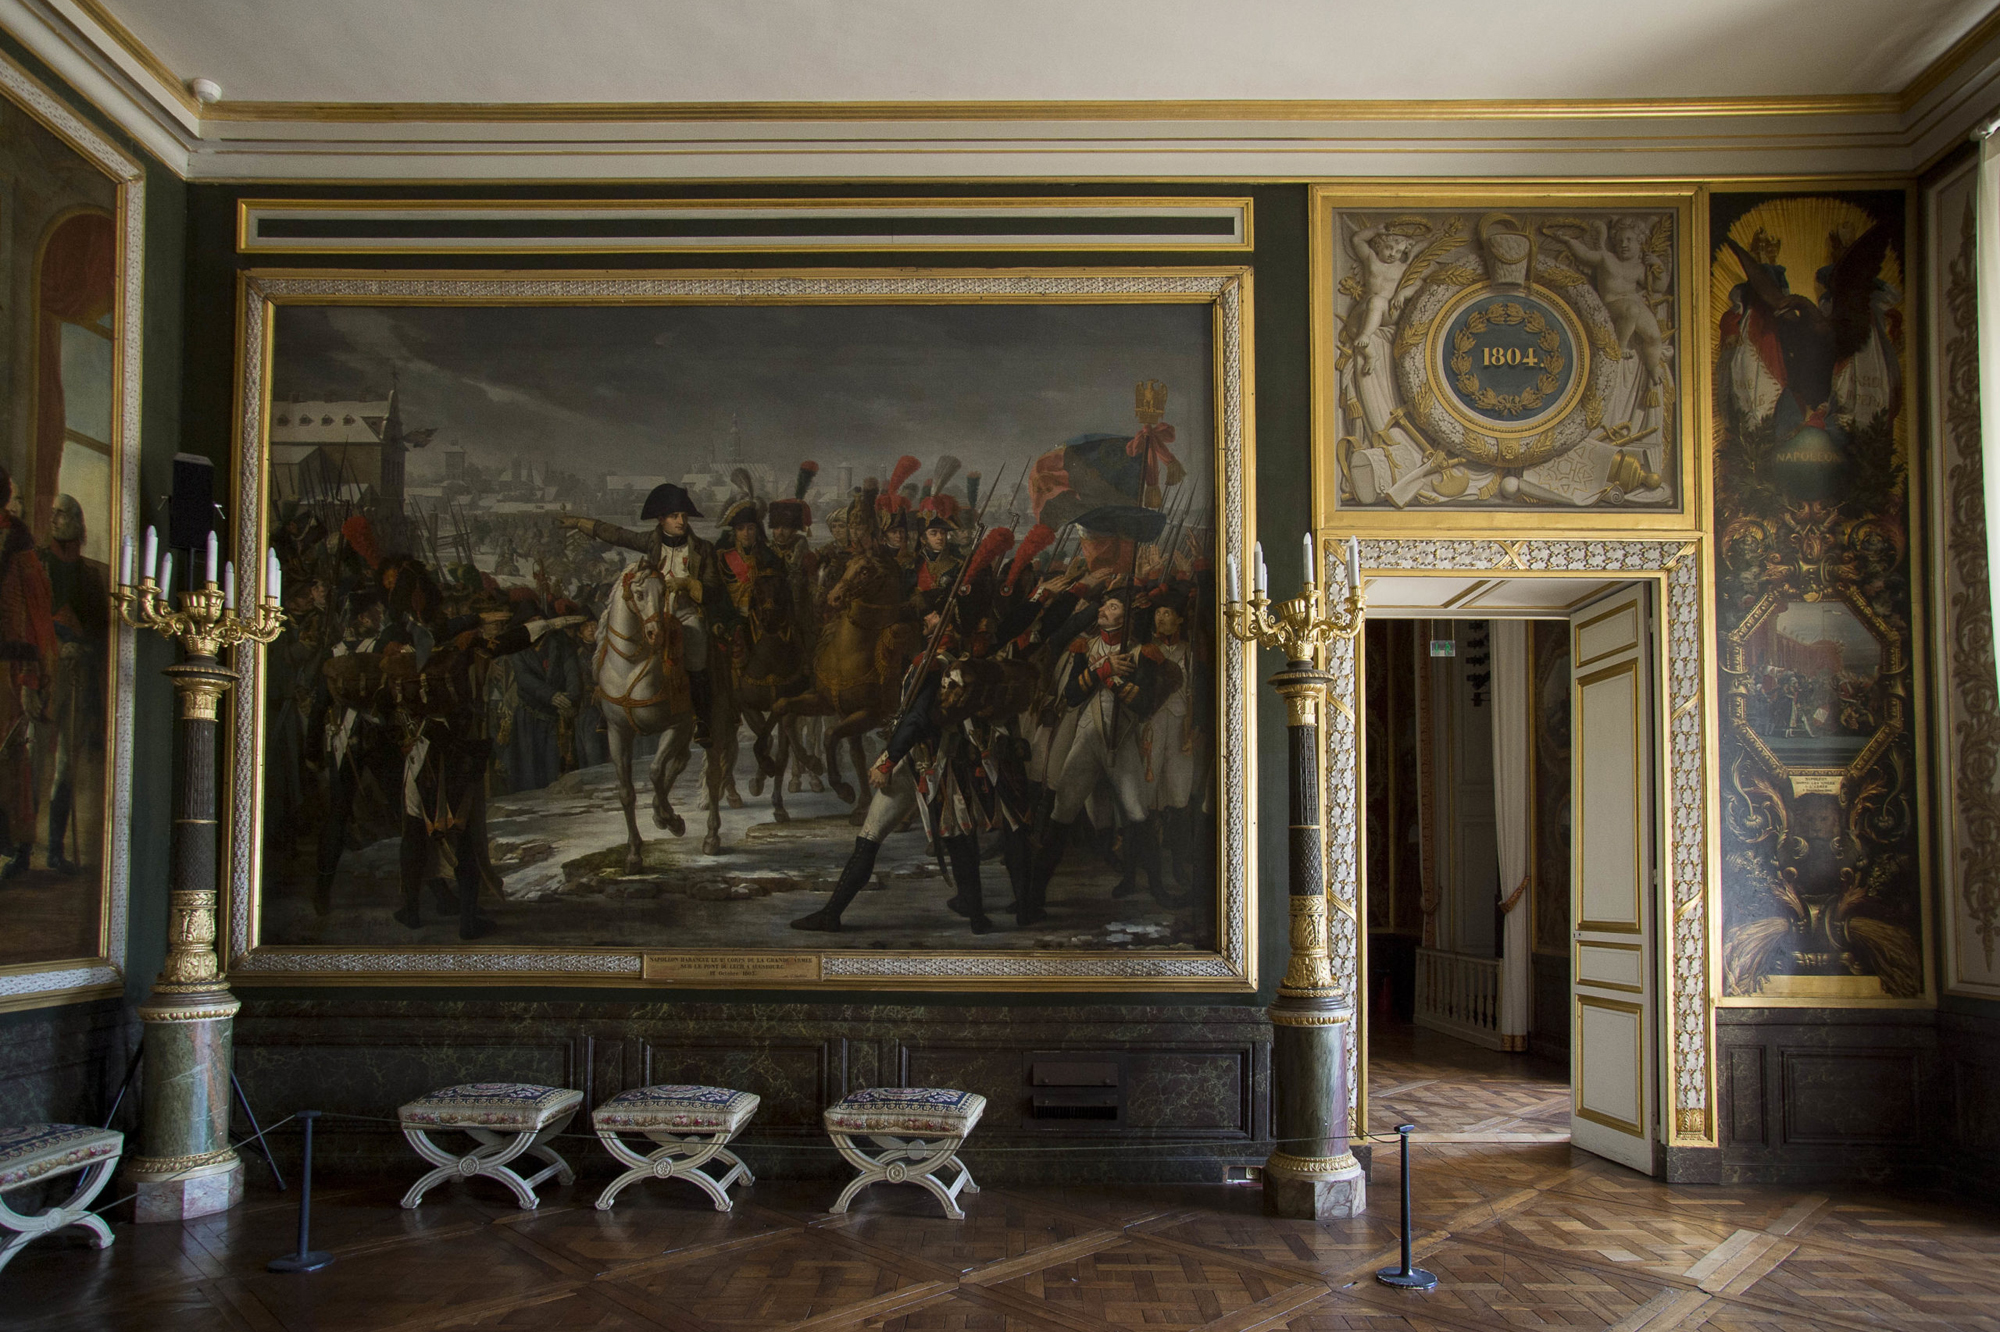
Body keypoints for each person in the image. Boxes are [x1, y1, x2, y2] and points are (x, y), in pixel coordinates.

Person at [1023, 589, 1184, 921]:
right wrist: (1100, 670)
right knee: (1062, 810)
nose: (1103, 611)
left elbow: (1142, 704)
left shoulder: (1144, 654)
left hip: (1121, 741)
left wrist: (1109, 680)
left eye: (1112, 607)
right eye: (1105, 605)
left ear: (1124, 619)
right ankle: (1034, 895)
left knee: (1138, 813)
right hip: (1087, 737)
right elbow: (1070, 695)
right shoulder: (1084, 647)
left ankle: (1157, 889)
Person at [558, 484, 724, 745]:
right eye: (674, 516)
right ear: (661, 520)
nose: (680, 521)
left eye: (683, 516)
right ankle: (609, 707)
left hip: (684, 613)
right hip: (652, 611)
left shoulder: (703, 548)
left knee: (697, 648)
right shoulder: (651, 541)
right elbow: (618, 535)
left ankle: (701, 719)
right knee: (617, 639)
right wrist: (580, 523)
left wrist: (687, 585)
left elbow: (714, 589)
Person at [37, 495, 105, 876]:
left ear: (78, 524)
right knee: (28, 764)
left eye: (62, 513)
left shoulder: (88, 578)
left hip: (75, 680)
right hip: (41, 677)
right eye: (52, 513)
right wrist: (56, 642)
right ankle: (17, 847)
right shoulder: (37, 567)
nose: (55, 519)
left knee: (65, 766)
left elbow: (98, 632)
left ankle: (55, 851)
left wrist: (82, 647)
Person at [0, 466, 54, 878]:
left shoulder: (19, 547)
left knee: (11, 761)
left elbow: (37, 620)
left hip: (9, 670)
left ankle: (13, 848)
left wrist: (32, 680)